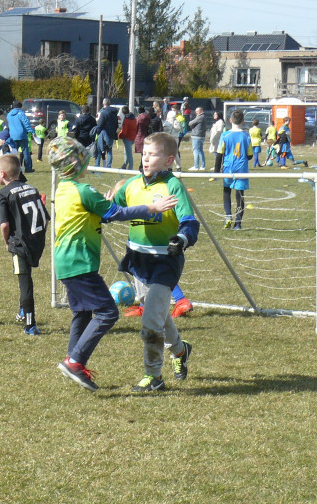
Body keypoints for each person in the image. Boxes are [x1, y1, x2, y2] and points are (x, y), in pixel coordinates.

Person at [48, 136, 177, 391]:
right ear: (78, 164)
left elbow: (101, 212)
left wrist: (104, 206)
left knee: (82, 314)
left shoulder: (62, 189)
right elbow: (115, 213)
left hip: (64, 262)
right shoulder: (84, 190)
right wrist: (152, 207)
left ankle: (73, 361)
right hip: (79, 261)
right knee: (108, 313)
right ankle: (75, 361)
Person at [110, 132, 199, 392]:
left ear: (169, 160)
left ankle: (154, 377)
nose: (146, 158)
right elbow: (110, 211)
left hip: (165, 261)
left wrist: (181, 239)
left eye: (153, 154)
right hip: (139, 261)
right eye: (144, 153)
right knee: (157, 313)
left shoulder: (172, 186)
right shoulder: (131, 185)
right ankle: (181, 351)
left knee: (150, 320)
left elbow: (190, 222)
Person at [0, 153, 49, 336]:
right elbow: (44, 216)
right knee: (25, 276)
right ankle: (22, 310)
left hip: (20, 243)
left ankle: (30, 324)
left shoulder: (3, 193)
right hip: (37, 239)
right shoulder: (32, 188)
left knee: (25, 281)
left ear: (1, 174)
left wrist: (7, 242)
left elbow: (4, 225)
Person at [217, 109, 252, 230]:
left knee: (226, 192)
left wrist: (216, 172)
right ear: (243, 121)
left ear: (230, 120)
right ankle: (238, 223)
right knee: (240, 195)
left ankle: (227, 216)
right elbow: (250, 155)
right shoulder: (246, 135)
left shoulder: (225, 135)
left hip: (228, 168)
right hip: (241, 168)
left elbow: (219, 154)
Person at [5, 100, 37, 173]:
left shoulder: (9, 114)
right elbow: (26, 123)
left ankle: (13, 167)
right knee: (26, 152)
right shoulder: (21, 113)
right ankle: (28, 168)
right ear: (20, 107)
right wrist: (32, 131)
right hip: (22, 134)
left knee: (14, 152)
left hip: (12, 135)